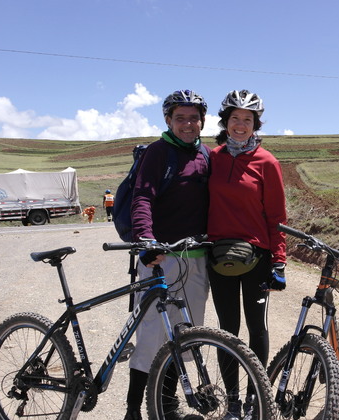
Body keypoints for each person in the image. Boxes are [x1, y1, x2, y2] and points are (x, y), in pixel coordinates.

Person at [124, 89, 211, 420]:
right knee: (150, 335)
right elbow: (142, 197)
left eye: (193, 118)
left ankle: (167, 405)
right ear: (168, 121)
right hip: (161, 257)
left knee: (184, 336)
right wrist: (146, 241)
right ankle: (132, 409)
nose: (187, 124)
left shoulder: (206, 155)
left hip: (196, 258)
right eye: (180, 118)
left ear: (202, 121)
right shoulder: (159, 153)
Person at [207, 89, 287, 420]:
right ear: (225, 122)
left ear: (256, 124)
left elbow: (277, 216)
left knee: (257, 327)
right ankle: (233, 402)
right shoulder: (212, 158)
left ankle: (256, 397)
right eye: (235, 118)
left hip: (257, 257)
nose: (241, 125)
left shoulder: (267, 162)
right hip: (218, 257)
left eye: (248, 119)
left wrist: (279, 260)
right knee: (228, 329)